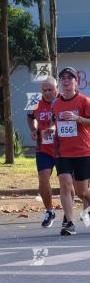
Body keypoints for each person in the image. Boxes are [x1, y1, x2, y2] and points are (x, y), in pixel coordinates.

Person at [52, 66, 90, 236]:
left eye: (70, 78)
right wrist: (50, 130)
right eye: (63, 78)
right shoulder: (56, 103)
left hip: (83, 151)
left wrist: (78, 119)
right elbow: (56, 124)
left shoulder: (84, 101)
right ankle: (70, 222)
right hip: (62, 152)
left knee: (82, 191)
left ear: (76, 82)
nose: (66, 81)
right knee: (65, 184)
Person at [27, 77, 58, 227]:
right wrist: (33, 129)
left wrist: (51, 130)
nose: (46, 93)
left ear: (56, 89)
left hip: (62, 148)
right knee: (43, 179)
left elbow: (60, 122)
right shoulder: (34, 101)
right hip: (43, 148)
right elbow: (30, 117)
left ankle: (68, 212)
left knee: (68, 183)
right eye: (44, 90)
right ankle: (49, 210)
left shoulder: (62, 101)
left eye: (50, 90)